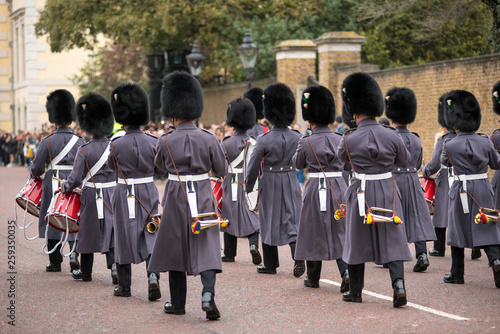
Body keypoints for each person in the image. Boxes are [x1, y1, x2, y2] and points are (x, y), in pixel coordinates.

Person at [148, 71, 227, 320]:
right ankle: (207, 295)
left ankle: (178, 303)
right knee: (207, 244)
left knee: (174, 248)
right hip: (203, 192)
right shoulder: (209, 138)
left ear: (172, 110)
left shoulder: (165, 140)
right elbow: (222, 170)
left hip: (174, 195)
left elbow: (159, 167)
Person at [337, 72, 412, 308]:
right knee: (393, 238)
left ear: (354, 112)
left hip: (360, 190)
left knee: (356, 241)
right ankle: (398, 286)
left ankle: (356, 292)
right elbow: (405, 161)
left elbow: (343, 162)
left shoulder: (349, 138)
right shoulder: (391, 135)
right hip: (388, 188)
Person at [441, 90, 500, 288]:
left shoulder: (449, 144)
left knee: (457, 229)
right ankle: (496, 262)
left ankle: (457, 274)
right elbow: (496, 164)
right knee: (487, 226)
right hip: (483, 186)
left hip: (461, 189)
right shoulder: (485, 141)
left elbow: (444, 162)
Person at [107, 83, 161, 300]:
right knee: (150, 231)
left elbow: (112, 166)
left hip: (124, 190)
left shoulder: (116, 143)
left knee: (122, 235)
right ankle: (153, 277)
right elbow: (159, 168)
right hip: (148, 188)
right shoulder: (153, 141)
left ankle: (125, 286)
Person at [245, 83, 305, 277]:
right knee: (292, 219)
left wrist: (248, 186)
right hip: (290, 177)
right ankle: (298, 257)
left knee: (268, 220)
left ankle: (270, 265)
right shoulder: (298, 136)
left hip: (269, 180)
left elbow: (253, 166)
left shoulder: (264, 139)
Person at [293, 85, 349, 291]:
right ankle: (347, 272)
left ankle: (313, 277)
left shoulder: (306, 141)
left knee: (311, 230)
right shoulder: (340, 138)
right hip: (338, 187)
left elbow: (298, 164)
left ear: (311, 119)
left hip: (315, 186)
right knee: (340, 230)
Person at [61, 93, 117, 283]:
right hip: (111, 192)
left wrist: (65, 187)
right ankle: (115, 267)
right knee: (111, 229)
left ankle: (86, 272)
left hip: (91, 193)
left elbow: (75, 178)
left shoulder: (84, 149)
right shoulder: (113, 146)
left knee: (87, 231)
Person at [30, 89, 84, 272]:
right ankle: (74, 255)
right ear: (71, 119)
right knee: (73, 215)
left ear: (54, 118)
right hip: (74, 181)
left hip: (52, 180)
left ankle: (55, 261)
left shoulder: (47, 141)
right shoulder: (80, 141)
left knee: (51, 216)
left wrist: (34, 174)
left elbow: (37, 168)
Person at [384, 87, 436, 272]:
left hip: (394, 180)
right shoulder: (416, 138)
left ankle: (389, 256)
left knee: (393, 217)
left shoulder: (388, 136)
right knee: (417, 217)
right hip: (413, 180)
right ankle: (422, 254)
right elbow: (419, 162)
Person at [220, 97, 262, 265]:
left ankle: (230, 253)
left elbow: (219, 168)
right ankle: (252, 245)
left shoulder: (225, 143)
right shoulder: (254, 143)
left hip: (230, 182)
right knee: (252, 212)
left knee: (228, 213)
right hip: (249, 182)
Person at [421, 96, 456, 257]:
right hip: (465, 178)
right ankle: (475, 249)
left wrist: (425, 170)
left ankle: (439, 247)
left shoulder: (444, 140)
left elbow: (435, 163)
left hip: (446, 178)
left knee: (441, 214)